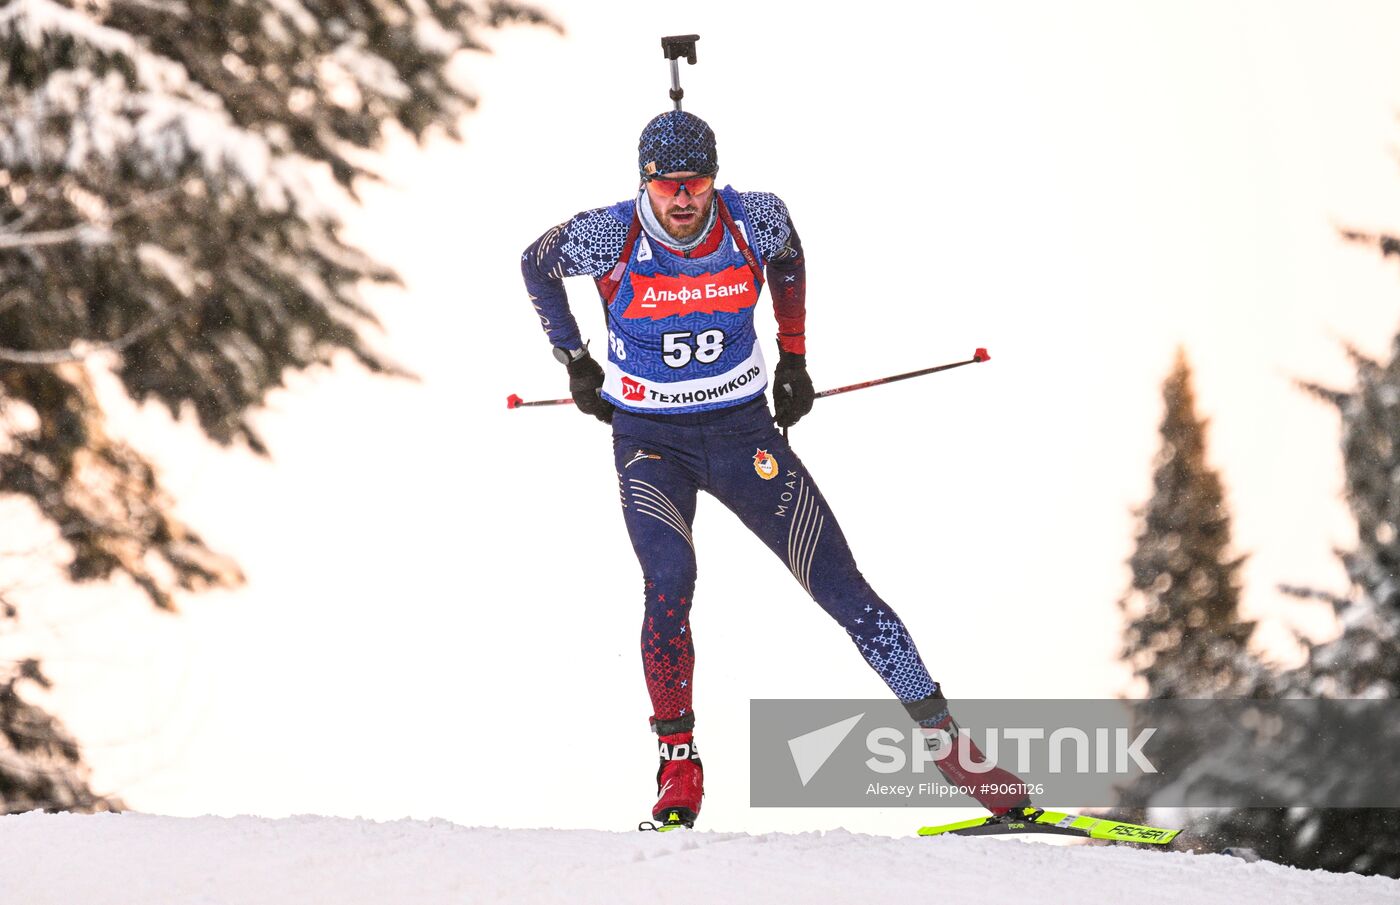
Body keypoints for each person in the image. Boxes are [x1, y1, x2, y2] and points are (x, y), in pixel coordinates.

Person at [520, 110, 1027, 829]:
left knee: (844, 586)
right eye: (667, 187)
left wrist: (794, 356)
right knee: (669, 582)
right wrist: (574, 361)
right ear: (646, 185)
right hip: (650, 442)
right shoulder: (610, 233)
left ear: (714, 179)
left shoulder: (755, 219)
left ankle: (957, 757)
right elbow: (535, 263)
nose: (684, 199)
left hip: (741, 433)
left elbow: (789, 258)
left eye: (696, 183)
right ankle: (678, 765)